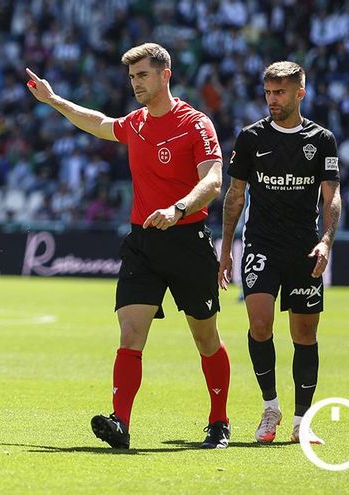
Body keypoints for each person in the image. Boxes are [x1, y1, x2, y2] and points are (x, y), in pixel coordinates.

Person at [27, 42, 231, 449]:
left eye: (143, 75)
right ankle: (120, 423)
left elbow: (212, 181)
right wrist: (53, 101)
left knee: (206, 338)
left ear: (165, 75)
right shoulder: (135, 122)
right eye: (132, 77)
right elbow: (98, 122)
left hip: (188, 240)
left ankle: (219, 421)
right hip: (143, 243)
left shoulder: (195, 123)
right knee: (130, 333)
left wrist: (179, 208)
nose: (135, 83)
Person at [218, 61, 341, 445]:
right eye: (269, 92)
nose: (272, 99)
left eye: (280, 92)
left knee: (304, 332)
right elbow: (235, 196)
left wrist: (326, 240)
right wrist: (225, 250)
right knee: (259, 323)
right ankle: (270, 407)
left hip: (304, 248)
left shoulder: (322, 139)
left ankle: (303, 420)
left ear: (300, 92)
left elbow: (331, 195)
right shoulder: (251, 138)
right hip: (261, 244)